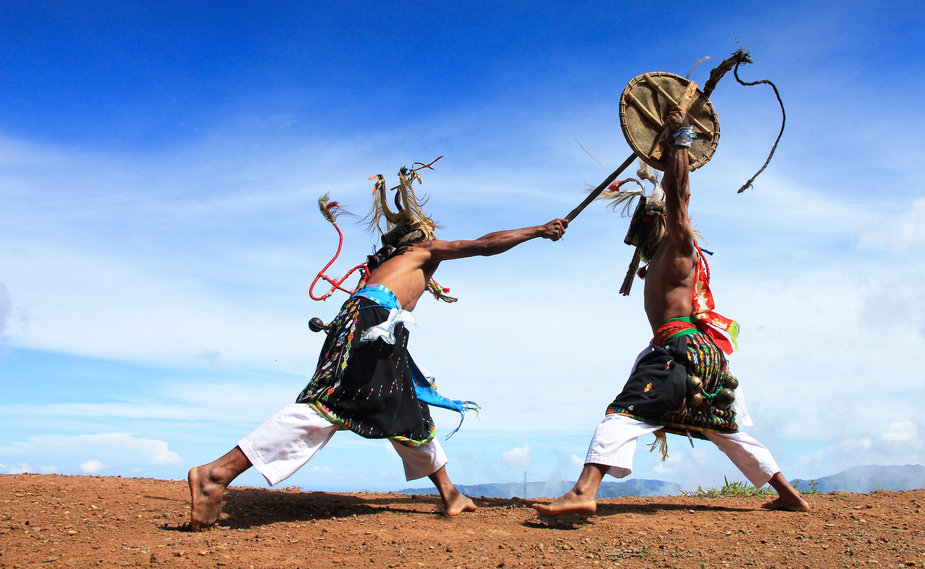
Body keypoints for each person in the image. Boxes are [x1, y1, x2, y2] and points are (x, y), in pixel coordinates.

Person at [189, 162, 568, 529]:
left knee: (407, 407)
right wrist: (538, 230)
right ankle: (216, 473)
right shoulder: (422, 251)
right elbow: (484, 246)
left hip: (378, 326)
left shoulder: (388, 269)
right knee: (332, 404)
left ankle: (450, 494)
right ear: (418, 239)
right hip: (373, 323)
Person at [534, 108, 809, 517]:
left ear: (653, 226)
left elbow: (678, 194)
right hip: (699, 356)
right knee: (723, 429)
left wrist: (681, 137)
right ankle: (789, 495)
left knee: (623, 414)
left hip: (677, 351)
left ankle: (583, 492)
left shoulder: (677, 248)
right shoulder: (663, 259)